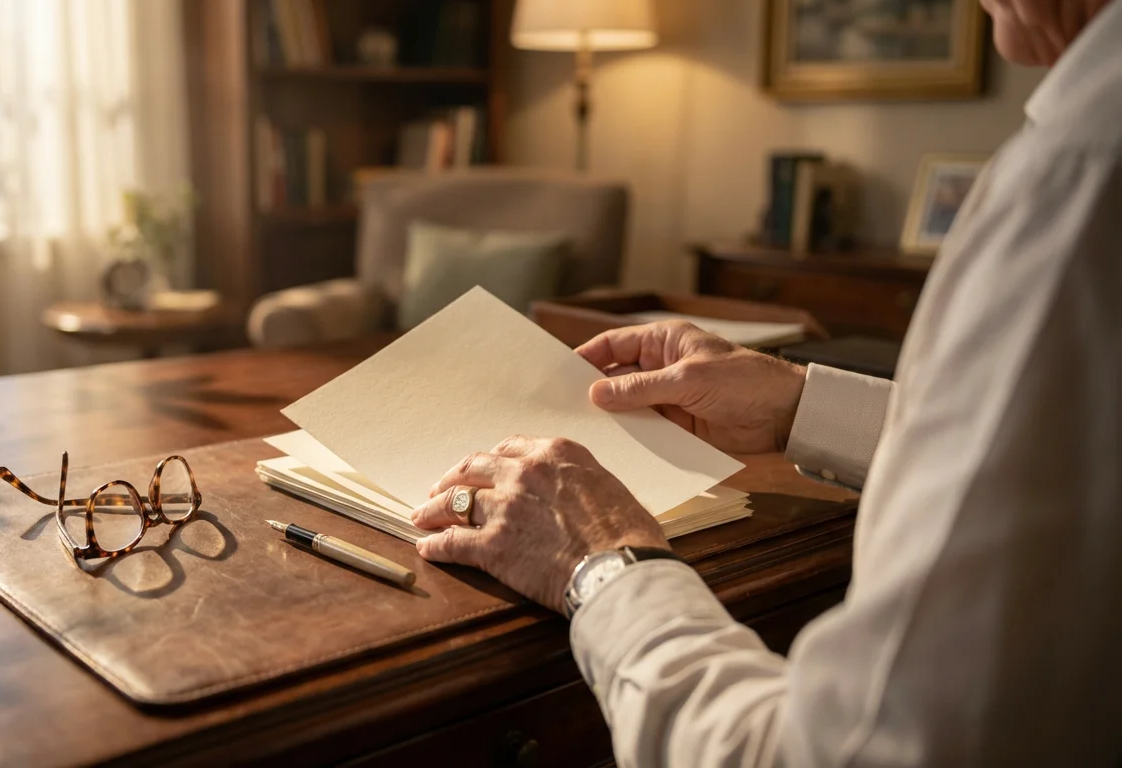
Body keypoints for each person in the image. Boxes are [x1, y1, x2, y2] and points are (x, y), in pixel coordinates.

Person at [409, 1, 1122, 764]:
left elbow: (844, 752)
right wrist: (797, 404)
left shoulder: (1079, 181)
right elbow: (1064, 460)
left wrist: (602, 558)